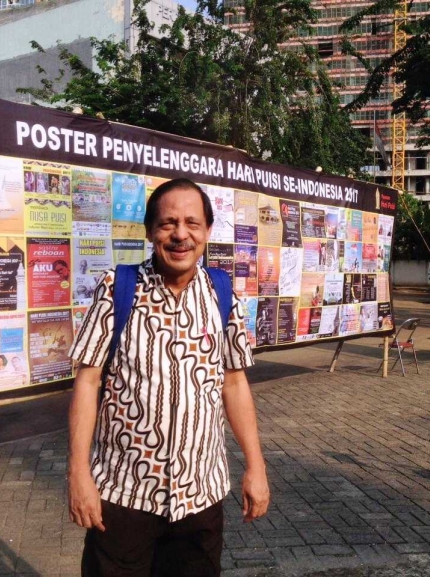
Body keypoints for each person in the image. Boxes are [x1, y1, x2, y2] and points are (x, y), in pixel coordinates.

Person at [68, 178, 269, 576]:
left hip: (200, 498)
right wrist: (78, 473)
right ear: (149, 231)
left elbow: (234, 384)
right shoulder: (116, 289)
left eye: (193, 223)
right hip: (124, 496)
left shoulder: (223, 295)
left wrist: (256, 466)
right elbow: (87, 383)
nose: (181, 234)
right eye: (168, 223)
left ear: (207, 232)